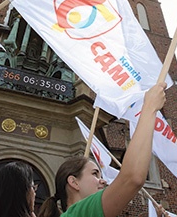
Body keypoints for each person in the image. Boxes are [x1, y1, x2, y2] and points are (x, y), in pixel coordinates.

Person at [37, 82, 167, 217]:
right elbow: (132, 178)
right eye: (95, 174)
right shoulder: (80, 212)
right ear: (74, 182)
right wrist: (150, 107)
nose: (103, 181)